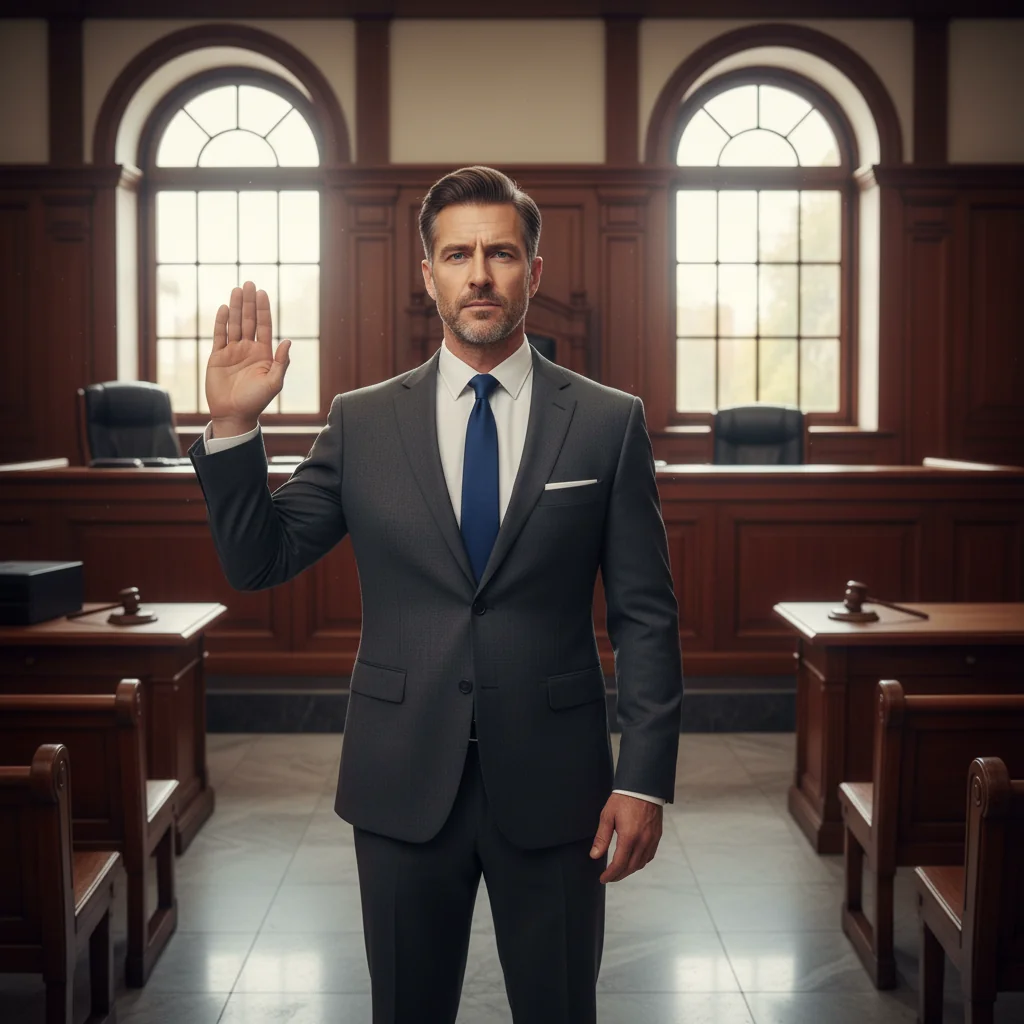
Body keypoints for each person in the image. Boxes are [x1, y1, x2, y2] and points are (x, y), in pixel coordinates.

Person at [189, 165, 683, 1024]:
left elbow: (645, 615)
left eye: (501, 254)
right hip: (399, 777)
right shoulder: (362, 420)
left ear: (533, 270)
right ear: (429, 274)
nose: (479, 275)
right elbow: (259, 560)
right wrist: (235, 428)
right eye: (458, 255)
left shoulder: (609, 421)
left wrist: (644, 779)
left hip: (558, 781)